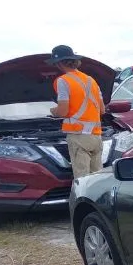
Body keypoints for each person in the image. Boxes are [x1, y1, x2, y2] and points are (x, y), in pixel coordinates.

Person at [47, 45, 105, 180]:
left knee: (82, 180)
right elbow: (102, 110)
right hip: (96, 137)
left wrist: (52, 111)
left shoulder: (63, 81)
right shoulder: (92, 80)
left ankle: (81, 201)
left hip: (79, 137)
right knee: (96, 179)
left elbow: (63, 111)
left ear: (59, 63)